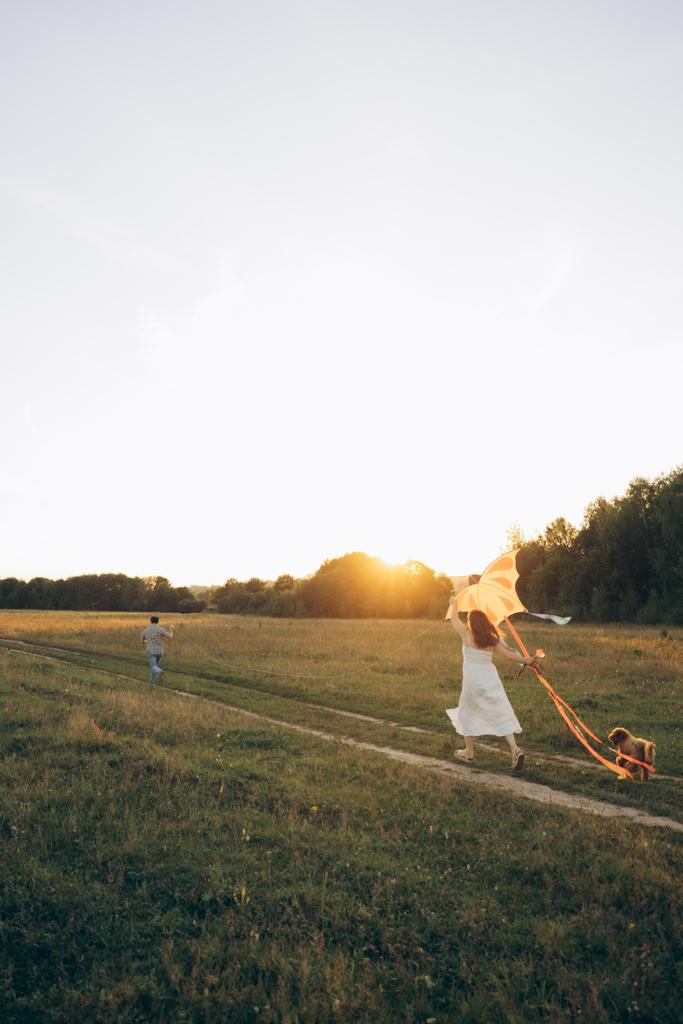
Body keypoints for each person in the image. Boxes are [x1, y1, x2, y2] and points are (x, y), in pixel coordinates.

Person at [446, 599, 536, 770]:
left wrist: (453, 604)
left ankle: (469, 753)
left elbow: (454, 619)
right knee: (500, 712)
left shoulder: (467, 635)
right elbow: (509, 656)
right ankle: (515, 749)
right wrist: (527, 660)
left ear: (471, 623)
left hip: (472, 681)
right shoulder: (492, 639)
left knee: (468, 713)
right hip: (490, 679)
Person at [141, 615, 174, 685]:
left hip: (151, 651)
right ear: (158, 621)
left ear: (151, 621)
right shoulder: (161, 629)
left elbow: (142, 641)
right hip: (160, 651)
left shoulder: (145, 630)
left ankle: (160, 672)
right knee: (155, 667)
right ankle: (151, 683)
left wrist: (147, 641)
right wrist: (171, 628)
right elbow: (170, 636)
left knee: (153, 667)